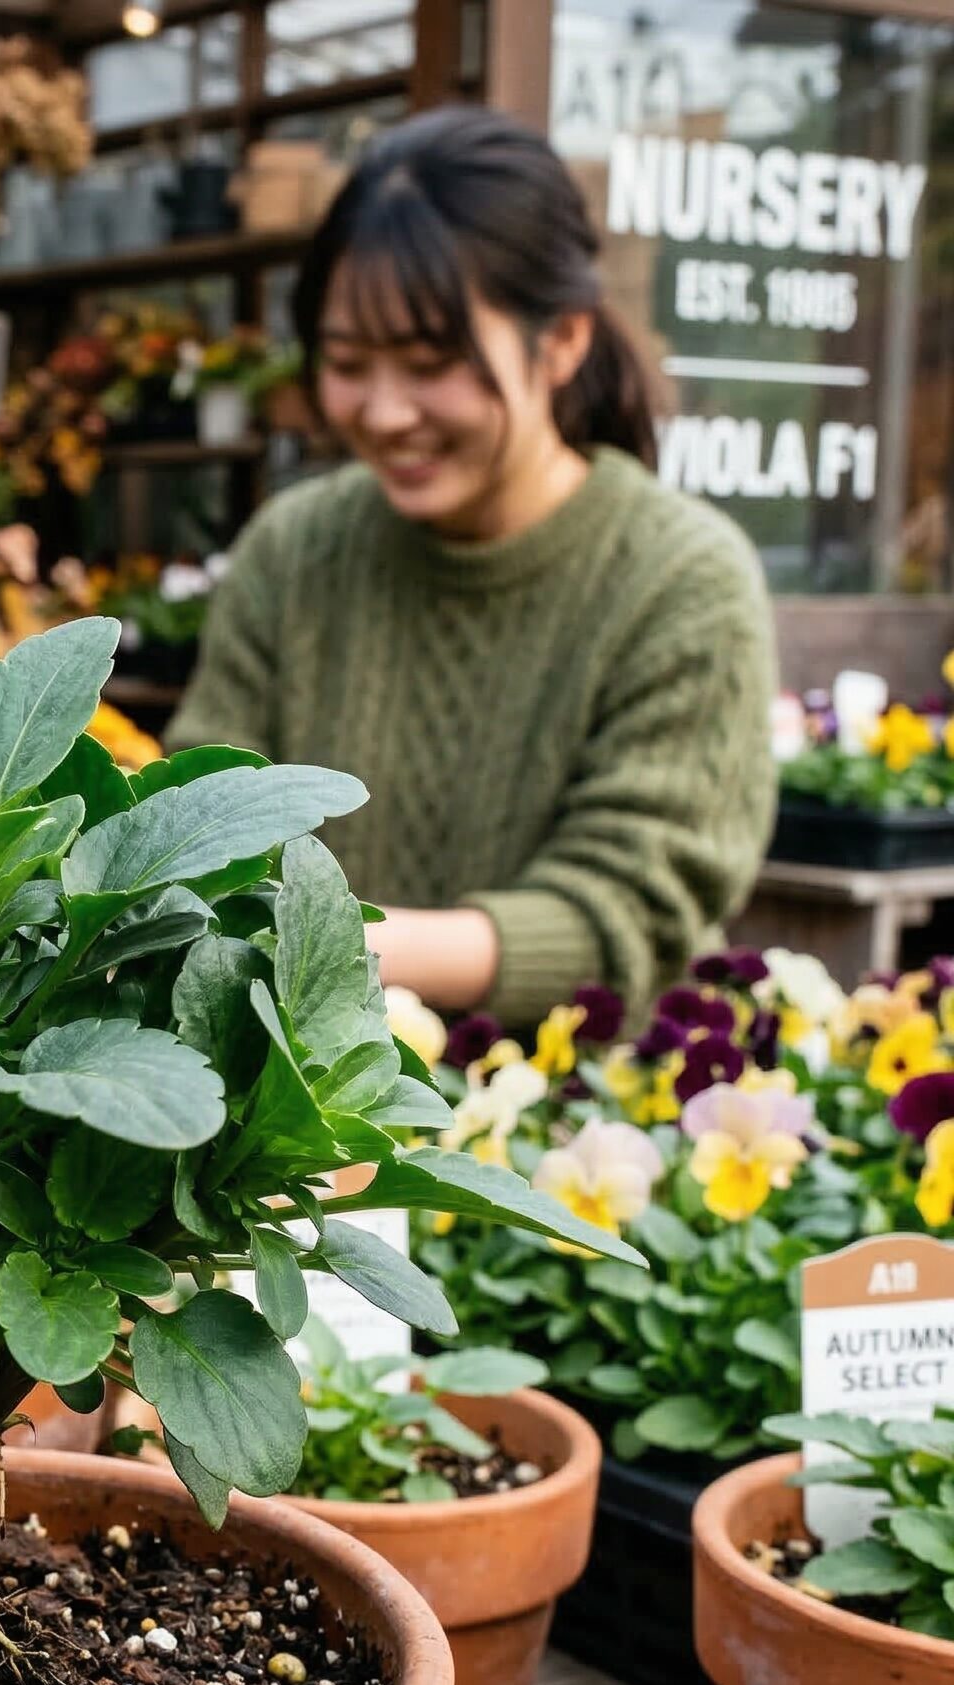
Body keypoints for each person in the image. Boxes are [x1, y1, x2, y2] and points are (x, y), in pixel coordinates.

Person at [168, 106, 777, 1027]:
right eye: (347, 362)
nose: (383, 412)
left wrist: (324, 949)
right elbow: (199, 823)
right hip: (285, 1094)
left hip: (561, 1100)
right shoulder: (292, 551)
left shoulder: (681, 580)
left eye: (429, 363)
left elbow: (623, 914)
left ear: (563, 340)